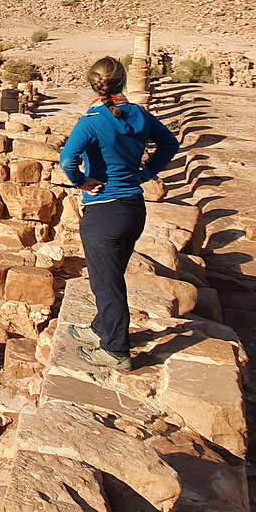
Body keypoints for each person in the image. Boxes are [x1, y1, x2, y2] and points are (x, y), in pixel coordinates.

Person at [59, 56, 179, 371]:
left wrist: (82, 182)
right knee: (111, 278)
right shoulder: (140, 115)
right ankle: (101, 328)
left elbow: (67, 160)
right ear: (122, 82)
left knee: (106, 284)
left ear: (92, 83)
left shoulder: (91, 120)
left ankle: (116, 351)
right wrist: (145, 173)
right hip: (134, 210)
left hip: (104, 214)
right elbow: (169, 144)